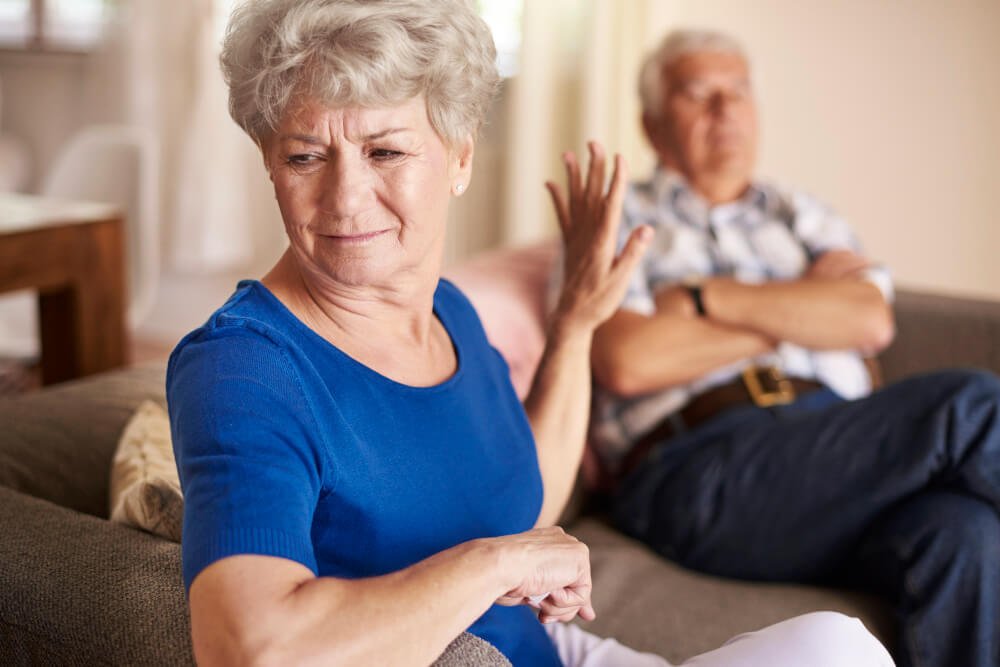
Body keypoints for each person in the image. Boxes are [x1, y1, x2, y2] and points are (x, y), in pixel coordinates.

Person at [166, 3, 894, 665]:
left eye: (385, 151)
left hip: (559, 650)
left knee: (839, 644)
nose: (346, 197)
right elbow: (250, 649)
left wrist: (574, 325)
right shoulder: (243, 366)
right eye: (304, 155)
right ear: (268, 159)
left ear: (460, 157)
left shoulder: (451, 314)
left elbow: (526, 500)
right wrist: (497, 564)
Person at [591, 28, 1000, 667]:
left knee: (966, 535)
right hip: (701, 463)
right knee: (972, 403)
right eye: (700, 94)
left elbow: (868, 320)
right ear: (651, 124)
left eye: (739, 93)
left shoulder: (800, 213)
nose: (725, 111)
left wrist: (701, 299)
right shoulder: (618, 218)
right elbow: (631, 358)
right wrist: (802, 305)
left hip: (833, 447)